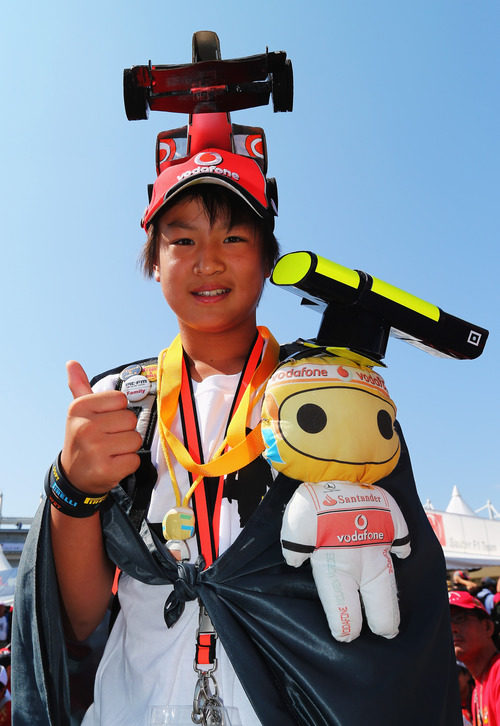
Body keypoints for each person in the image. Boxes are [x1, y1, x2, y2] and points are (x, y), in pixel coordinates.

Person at [12, 139, 462, 724]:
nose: (208, 261)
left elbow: (404, 595)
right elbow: (79, 619)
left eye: (234, 237)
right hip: (133, 707)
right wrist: (72, 488)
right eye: (181, 239)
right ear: (153, 260)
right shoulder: (120, 402)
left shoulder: (329, 393)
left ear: (268, 257)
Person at [450, 590, 500, 726]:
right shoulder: (478, 687)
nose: (452, 628)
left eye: (460, 618)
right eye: (445, 623)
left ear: (487, 627)